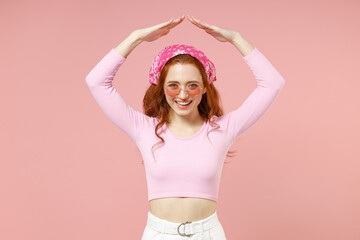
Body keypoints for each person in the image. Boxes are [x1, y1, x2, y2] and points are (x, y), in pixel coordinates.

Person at [85, 15, 285, 240]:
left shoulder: (222, 129)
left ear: (204, 88)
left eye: (192, 85)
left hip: (208, 234)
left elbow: (272, 83)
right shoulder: (144, 129)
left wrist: (235, 38)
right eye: (173, 85)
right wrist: (136, 37)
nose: (182, 94)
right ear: (161, 88)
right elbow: (96, 81)